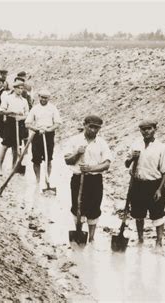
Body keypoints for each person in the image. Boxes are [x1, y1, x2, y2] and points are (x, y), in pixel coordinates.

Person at [64, 115, 112, 243]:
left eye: (96, 128)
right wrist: (77, 153)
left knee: (94, 208)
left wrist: (90, 168)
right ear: (84, 125)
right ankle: (78, 232)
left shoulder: (101, 143)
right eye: (91, 126)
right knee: (77, 207)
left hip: (95, 180)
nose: (93, 130)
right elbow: (67, 160)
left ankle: (91, 238)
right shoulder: (74, 141)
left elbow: (106, 164)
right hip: (78, 178)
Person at [125, 120, 165, 247]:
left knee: (157, 214)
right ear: (140, 131)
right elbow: (126, 164)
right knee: (138, 213)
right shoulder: (135, 145)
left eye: (149, 128)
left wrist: (159, 189)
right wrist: (131, 158)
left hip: (154, 185)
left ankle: (159, 241)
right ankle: (140, 239)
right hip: (137, 184)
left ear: (154, 129)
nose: (146, 131)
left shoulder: (161, 147)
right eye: (143, 129)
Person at [25, 89, 61, 185]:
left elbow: (57, 123)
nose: (43, 99)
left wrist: (49, 129)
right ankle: (37, 180)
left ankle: (47, 179)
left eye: (46, 98)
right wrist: (37, 129)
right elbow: (27, 123)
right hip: (37, 135)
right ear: (39, 97)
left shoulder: (53, 108)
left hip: (49, 135)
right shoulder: (35, 109)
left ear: (49, 98)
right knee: (36, 159)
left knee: (48, 159)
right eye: (42, 97)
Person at [0, 79, 29, 176]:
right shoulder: (8, 98)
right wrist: (12, 112)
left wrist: (21, 117)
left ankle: (13, 167)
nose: (20, 90)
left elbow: (27, 114)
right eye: (18, 88)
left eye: (22, 89)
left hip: (19, 124)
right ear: (14, 88)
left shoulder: (24, 101)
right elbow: (1, 111)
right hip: (10, 123)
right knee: (5, 145)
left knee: (16, 147)